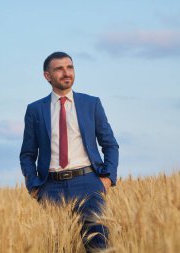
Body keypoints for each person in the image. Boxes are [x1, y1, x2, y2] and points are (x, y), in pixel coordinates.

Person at [20, 51, 119, 252]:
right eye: (59, 69)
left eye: (70, 67)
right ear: (47, 76)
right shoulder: (35, 109)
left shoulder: (91, 104)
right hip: (51, 188)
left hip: (88, 184)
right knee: (57, 247)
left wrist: (107, 179)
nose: (66, 73)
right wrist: (34, 186)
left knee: (99, 246)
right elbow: (27, 154)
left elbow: (110, 145)